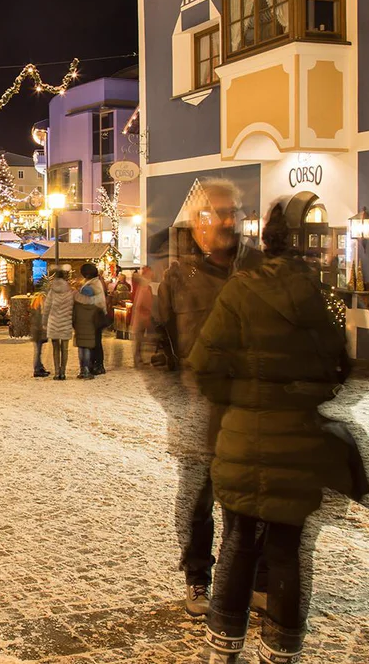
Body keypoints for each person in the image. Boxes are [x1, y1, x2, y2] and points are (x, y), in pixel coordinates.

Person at [189, 204, 352, 664]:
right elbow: (343, 368)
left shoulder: (240, 292)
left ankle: (224, 646)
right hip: (299, 438)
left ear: (264, 244)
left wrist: (239, 396)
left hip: (244, 434)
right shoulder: (321, 298)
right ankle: (280, 647)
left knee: (239, 540)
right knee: (287, 547)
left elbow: (204, 364)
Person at [154, 177, 264, 616]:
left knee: (249, 503)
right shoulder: (178, 276)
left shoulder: (259, 268)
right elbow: (154, 346)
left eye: (228, 212)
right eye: (210, 214)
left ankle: (251, 581)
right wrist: (178, 402)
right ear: (196, 223)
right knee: (198, 501)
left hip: (249, 410)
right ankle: (197, 577)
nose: (220, 221)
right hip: (198, 411)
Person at [43, 266, 74, 380]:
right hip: (65, 322)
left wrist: (44, 320)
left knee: (55, 348)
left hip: (54, 322)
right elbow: (72, 306)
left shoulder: (52, 291)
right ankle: (63, 372)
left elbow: (47, 307)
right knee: (64, 349)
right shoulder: (69, 291)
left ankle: (57, 373)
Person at [79, 263, 109, 375]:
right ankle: (99, 365)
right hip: (99, 316)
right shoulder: (97, 282)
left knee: (92, 343)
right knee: (97, 342)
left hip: (92, 318)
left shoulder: (89, 287)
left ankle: (92, 366)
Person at [131, 266, 156, 367]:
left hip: (142, 317)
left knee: (139, 340)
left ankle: (139, 359)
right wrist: (147, 313)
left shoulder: (144, 287)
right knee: (139, 340)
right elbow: (141, 304)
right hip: (141, 318)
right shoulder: (144, 288)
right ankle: (138, 360)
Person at [29, 292, 50, 378]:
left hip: (36, 332)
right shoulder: (39, 309)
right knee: (38, 351)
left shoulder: (34, 306)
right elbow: (40, 321)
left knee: (38, 351)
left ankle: (40, 367)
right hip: (38, 332)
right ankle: (37, 369)